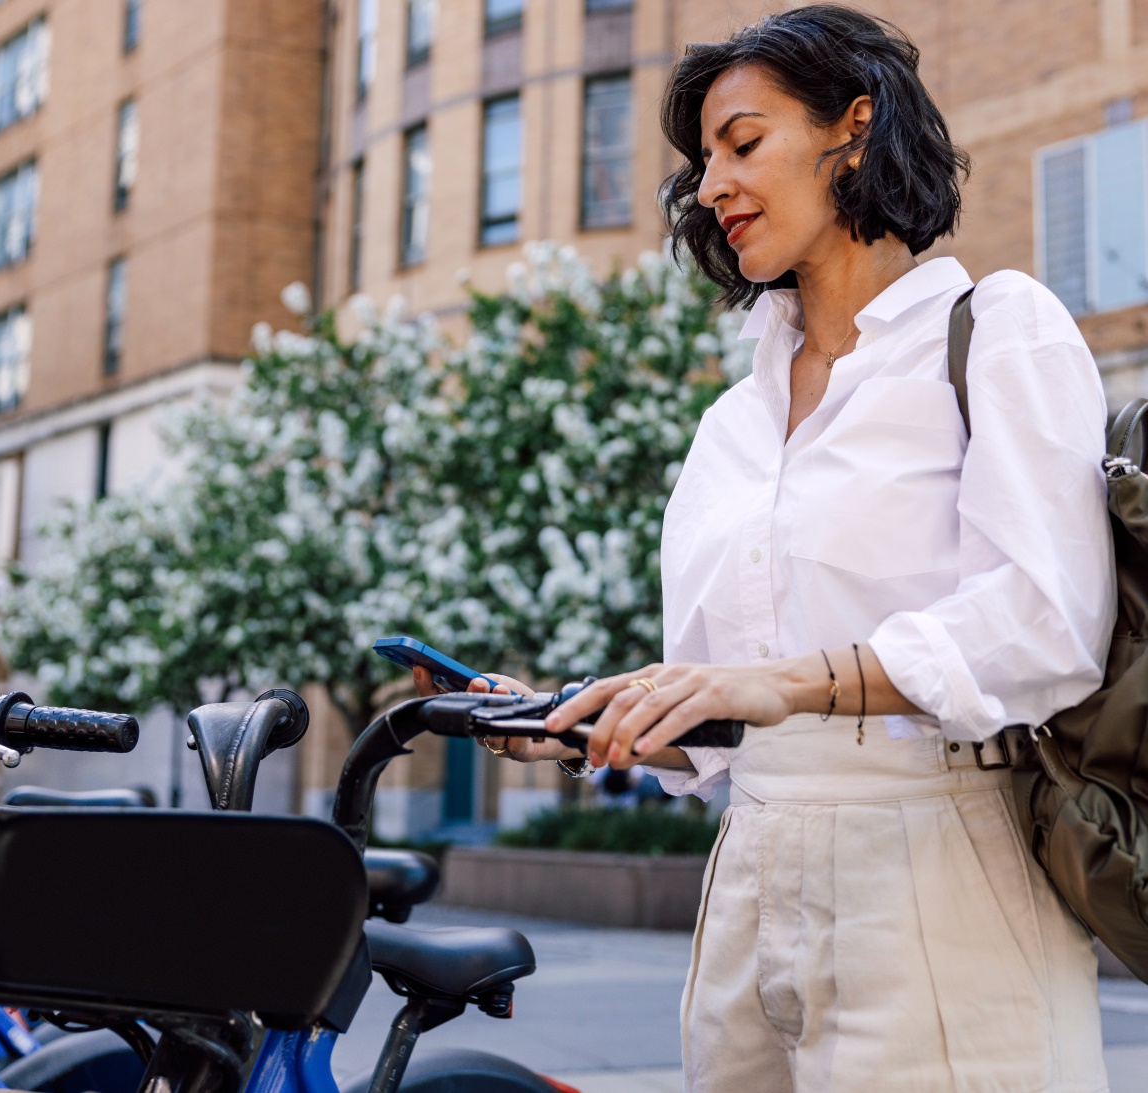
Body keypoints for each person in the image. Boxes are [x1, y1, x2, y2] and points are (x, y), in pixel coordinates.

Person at [414, 6, 1115, 1089]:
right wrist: (571, 718)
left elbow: (1043, 622)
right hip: (746, 879)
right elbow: (726, 721)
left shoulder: (994, 330)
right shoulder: (732, 425)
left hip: (935, 860)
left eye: (742, 143)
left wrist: (782, 681)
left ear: (856, 126)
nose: (710, 185)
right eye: (703, 162)